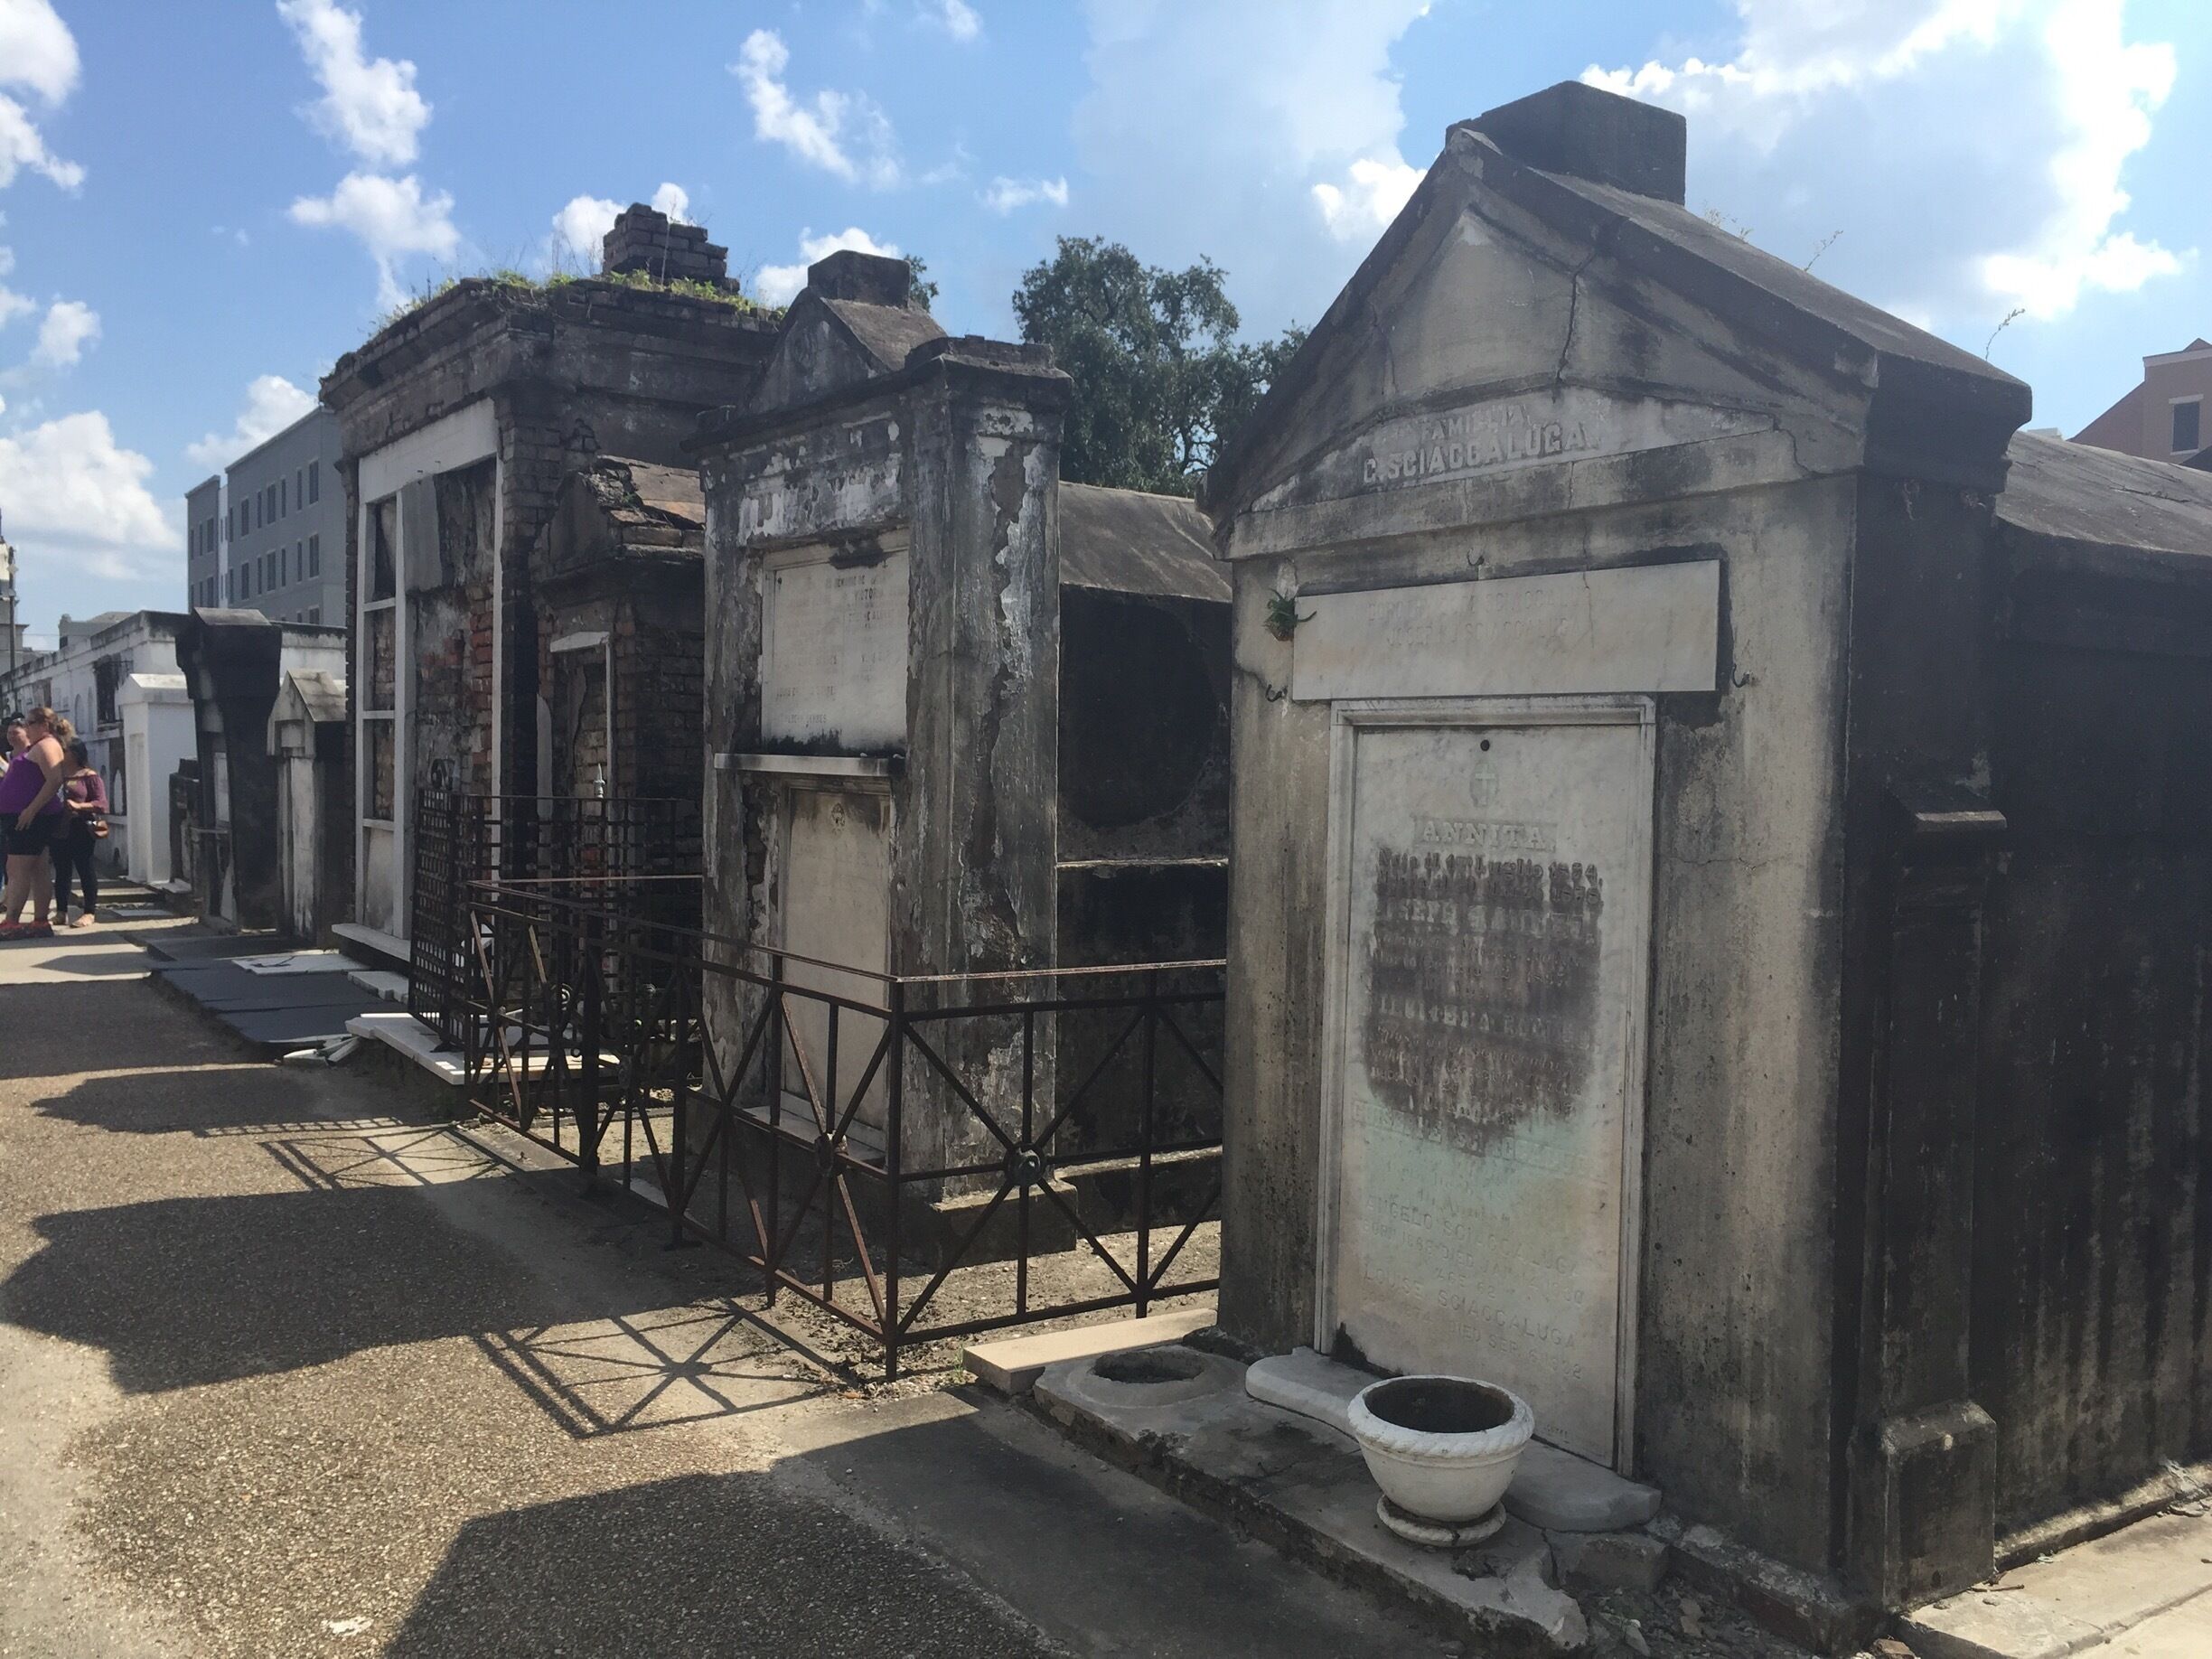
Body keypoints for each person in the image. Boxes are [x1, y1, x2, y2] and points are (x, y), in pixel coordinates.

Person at [0, 706, 69, 939]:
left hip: (33, 817)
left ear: (44, 725)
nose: (26, 728)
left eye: (29, 723)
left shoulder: (46, 745)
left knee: (17, 869)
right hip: (30, 816)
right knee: (38, 868)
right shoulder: (39, 746)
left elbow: (54, 780)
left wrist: (31, 810)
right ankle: (40, 921)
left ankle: (11, 922)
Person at [49, 737, 108, 927]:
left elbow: (101, 803)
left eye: (65, 750)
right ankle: (61, 911)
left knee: (85, 869)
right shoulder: (57, 775)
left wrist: (79, 806)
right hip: (59, 828)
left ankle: (89, 911)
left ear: (74, 754)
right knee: (61, 871)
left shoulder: (89, 776)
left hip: (81, 828)